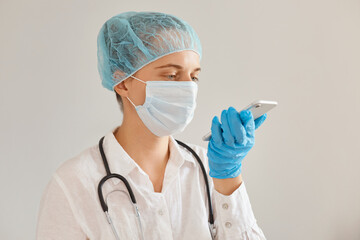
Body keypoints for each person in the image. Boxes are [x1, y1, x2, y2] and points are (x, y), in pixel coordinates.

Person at [36, 11, 267, 240]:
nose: (188, 88)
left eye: (194, 77)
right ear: (123, 82)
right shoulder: (74, 183)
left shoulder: (209, 168)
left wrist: (228, 177)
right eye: (172, 76)